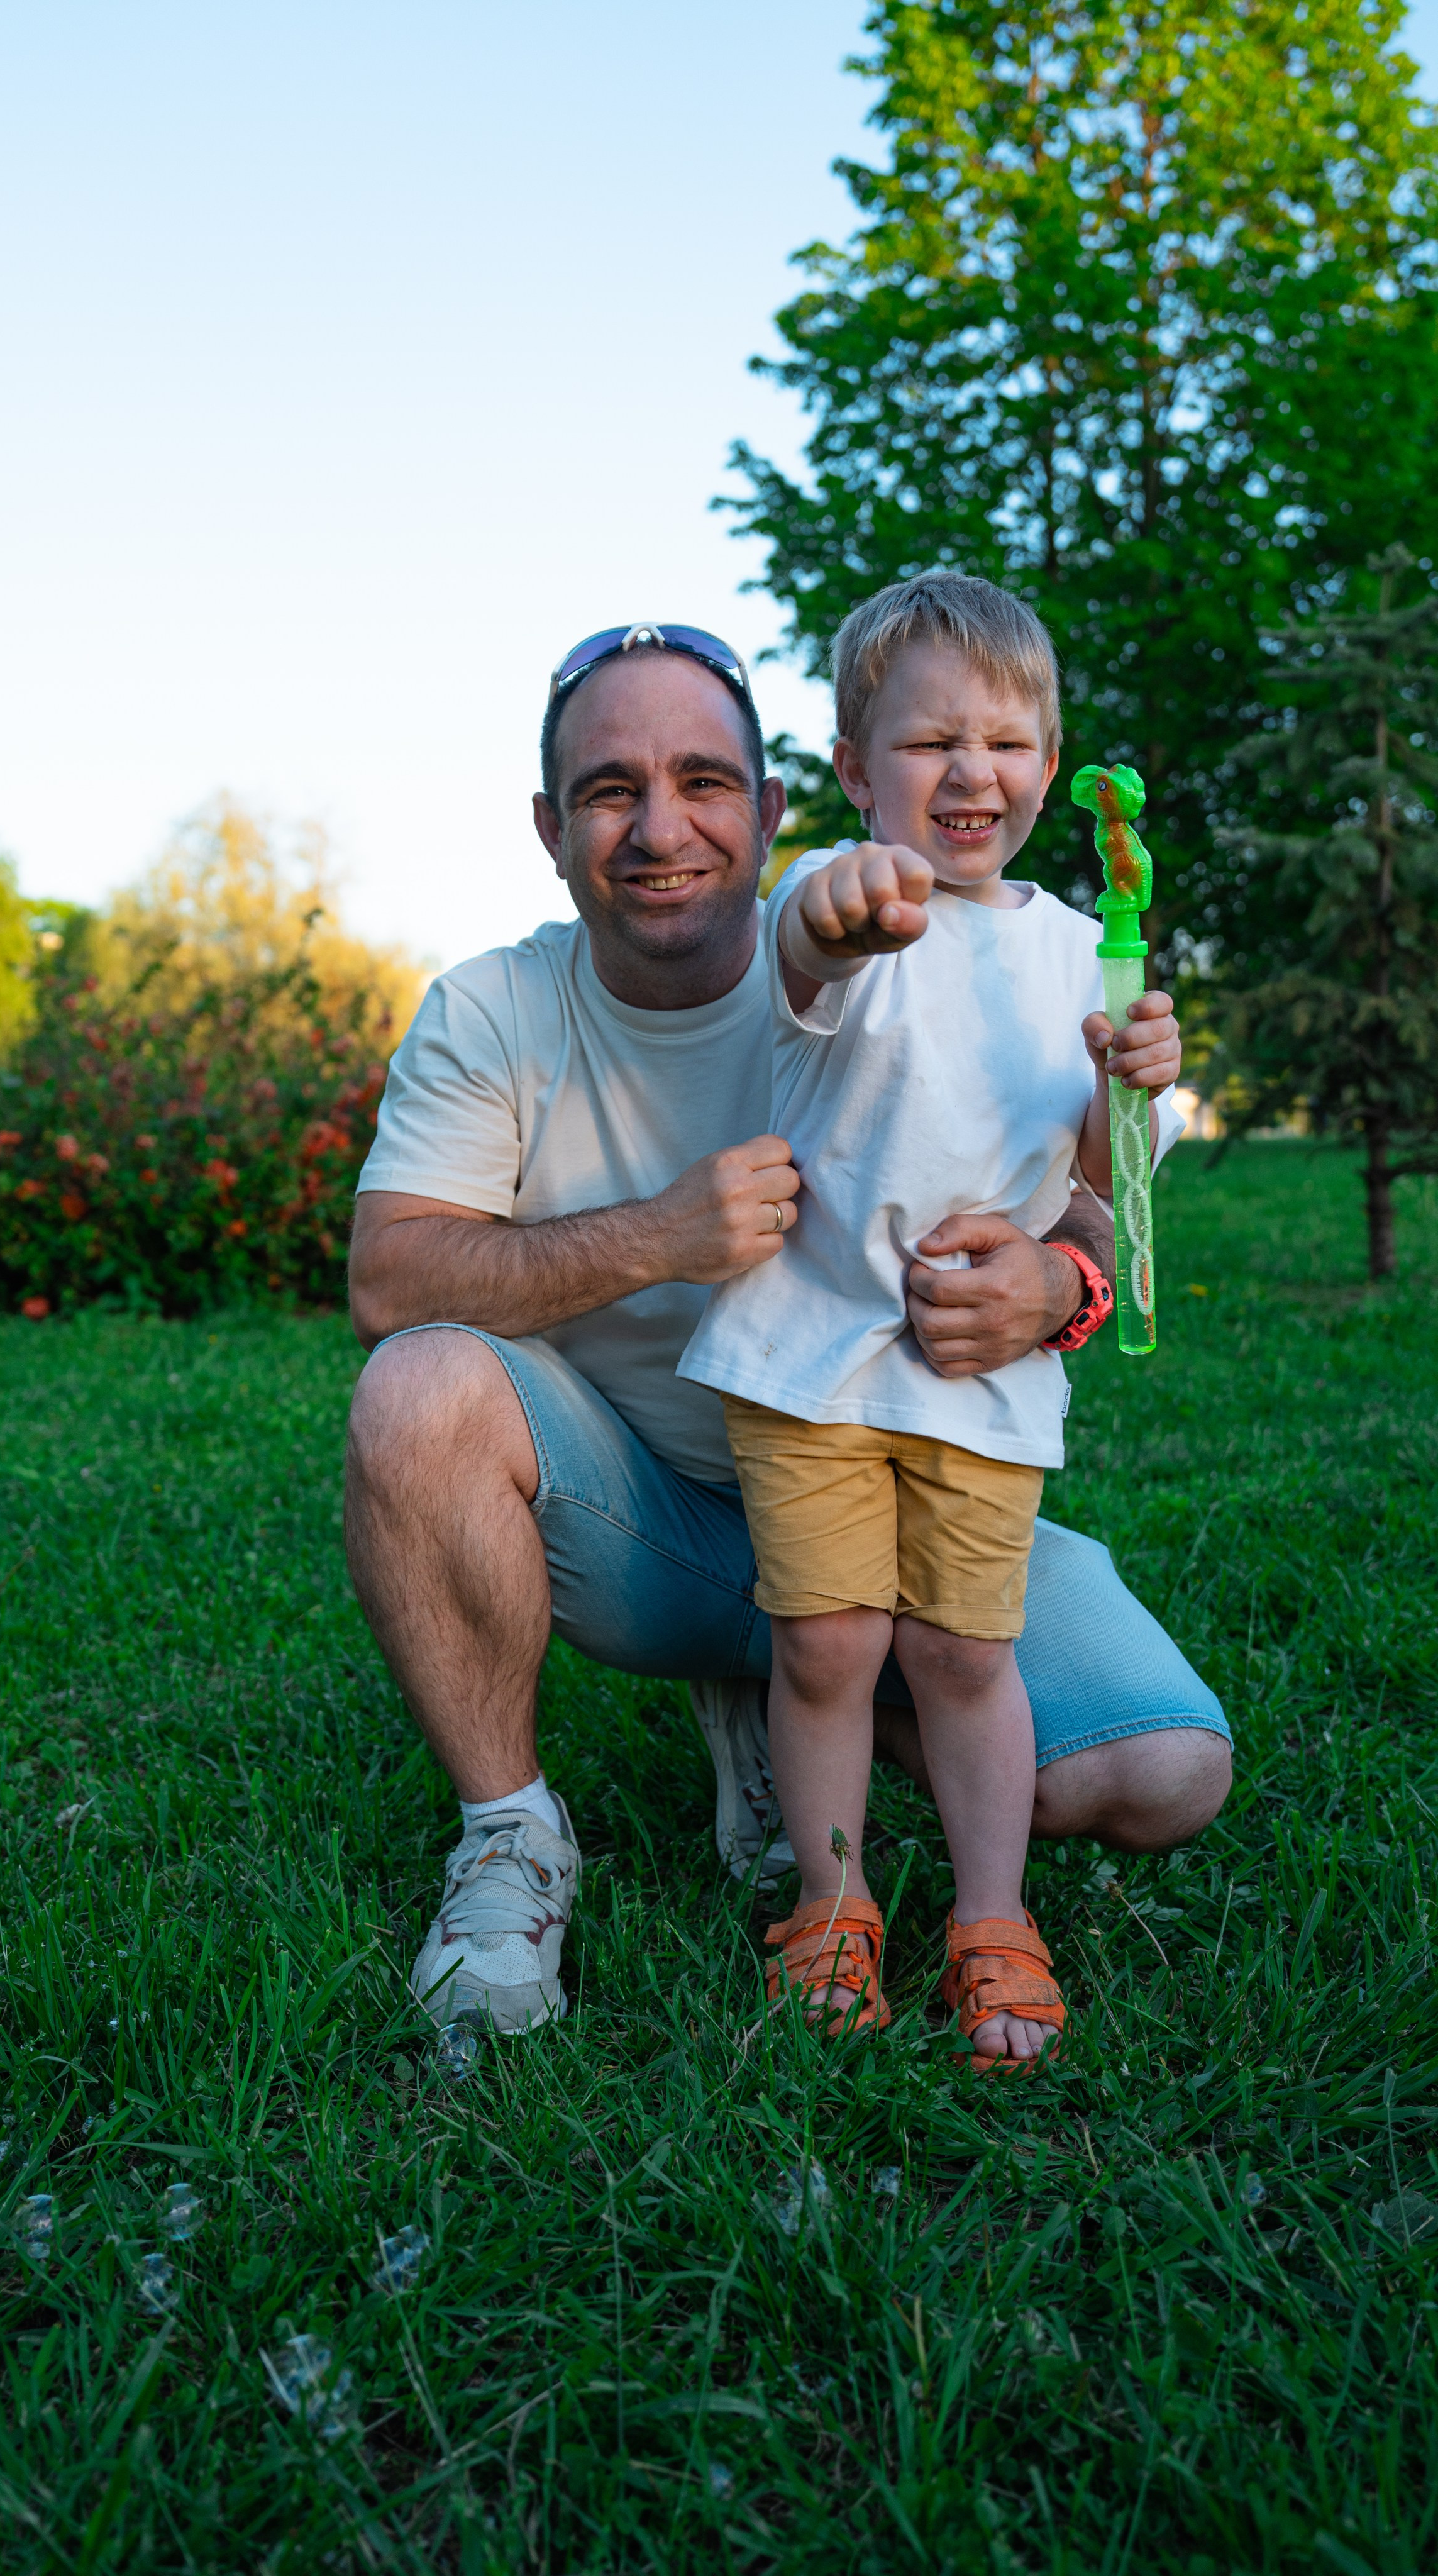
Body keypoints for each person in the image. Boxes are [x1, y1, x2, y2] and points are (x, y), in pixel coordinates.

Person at [343, 617, 1231, 2038]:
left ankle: (801, 1723)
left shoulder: (989, 947)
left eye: (702, 780)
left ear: (766, 806)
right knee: (417, 1385)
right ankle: (511, 1836)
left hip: (919, 1442)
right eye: (607, 790)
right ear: (547, 825)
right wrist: (660, 1235)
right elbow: (387, 1282)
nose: (657, 828)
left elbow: (1090, 1180)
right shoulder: (535, 997)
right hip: (648, 1512)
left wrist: (1067, 1284)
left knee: (1162, 1768)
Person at [678, 571, 1181, 2067]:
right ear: (852, 770)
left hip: (984, 1376)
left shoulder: (1081, 946)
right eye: (927, 743)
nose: (971, 771)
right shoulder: (838, 897)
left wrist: (1134, 1083)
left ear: (1051, 761)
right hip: (809, 1358)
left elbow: (1106, 1177)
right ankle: (832, 1906)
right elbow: (803, 974)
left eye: (1009, 741)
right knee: (828, 1639)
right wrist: (831, 909)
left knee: (966, 1654)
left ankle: (990, 1914)